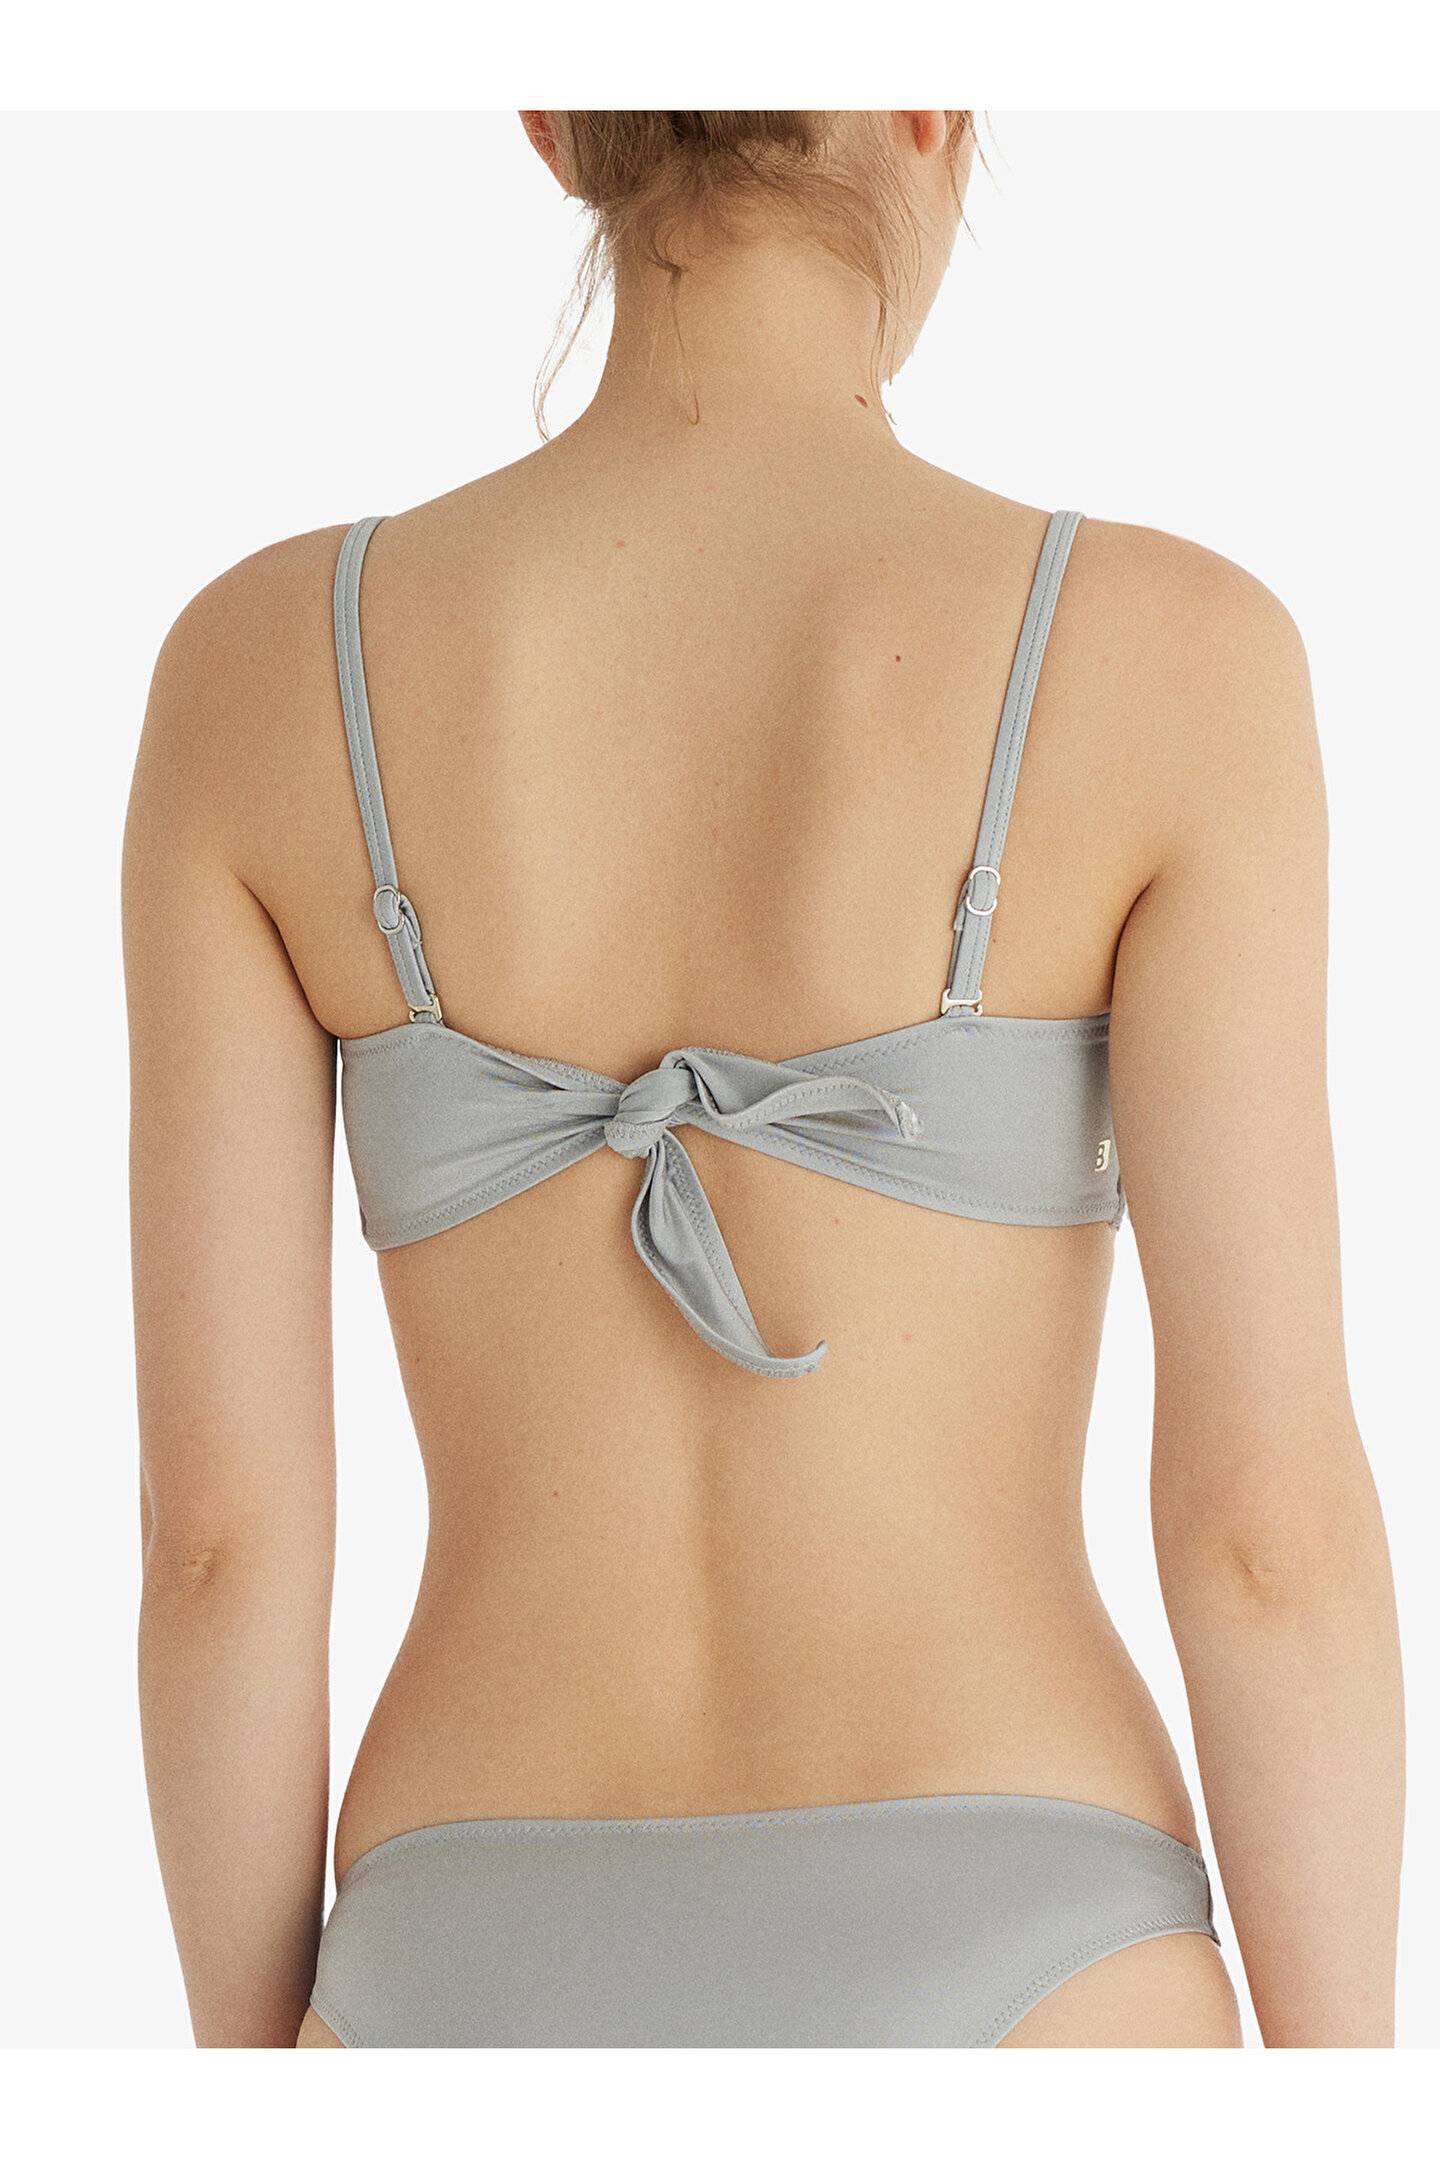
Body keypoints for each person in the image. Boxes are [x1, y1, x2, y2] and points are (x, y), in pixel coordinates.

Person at [124, 110, 1403, 2048]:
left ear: (553, 122)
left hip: (463, 1933)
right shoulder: (1174, 653)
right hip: (1032, 1927)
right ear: (927, 104)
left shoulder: (260, 667)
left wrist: (268, 2083)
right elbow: (1266, 1531)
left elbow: (219, 1544)